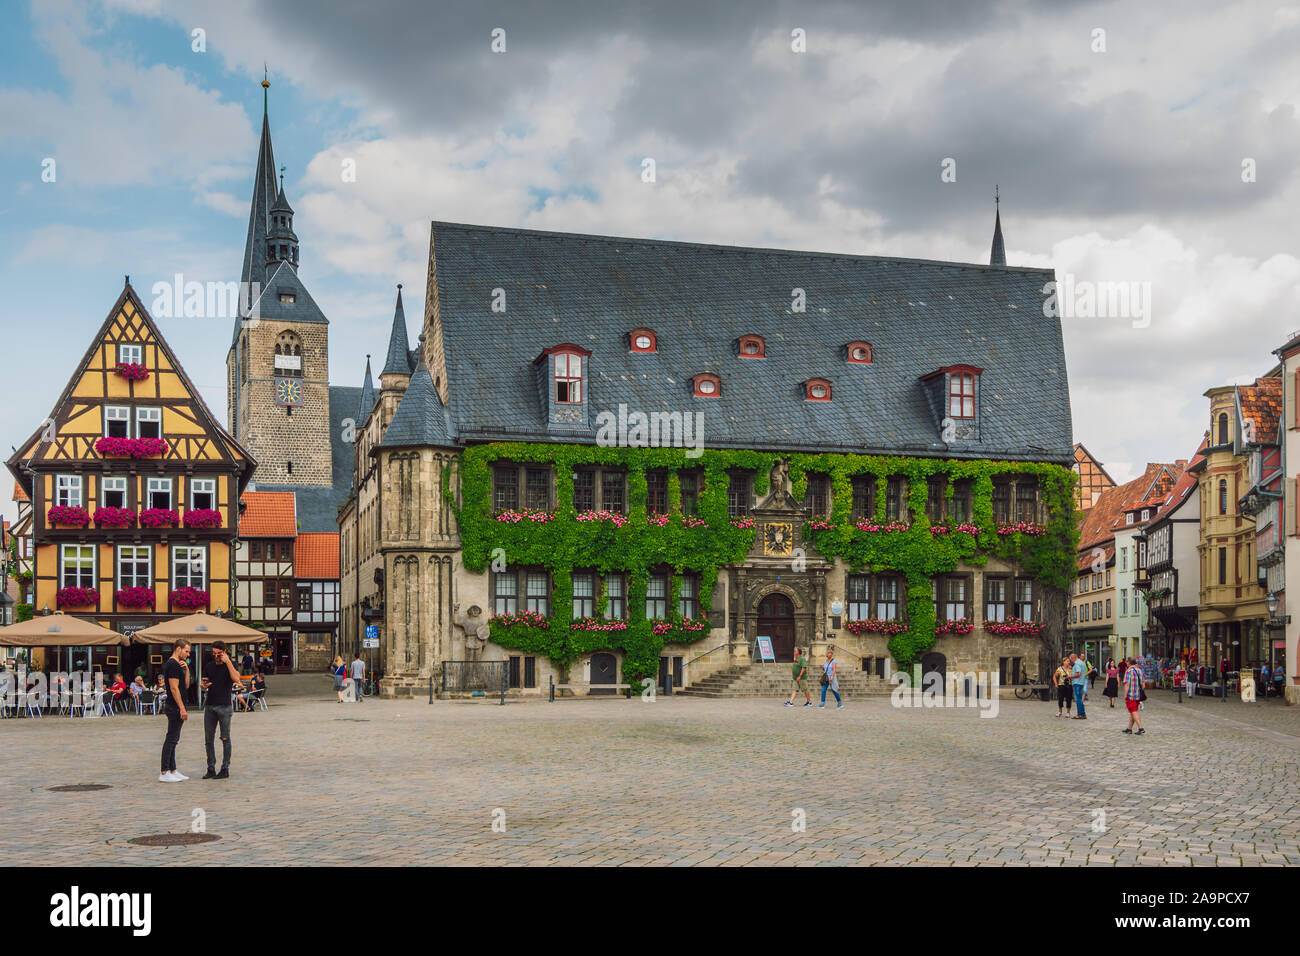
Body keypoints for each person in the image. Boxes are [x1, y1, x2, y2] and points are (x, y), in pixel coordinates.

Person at [200, 641, 241, 780]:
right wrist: (203, 686)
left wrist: (227, 662)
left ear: (225, 652)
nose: (216, 656)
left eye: (219, 654)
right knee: (208, 739)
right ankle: (210, 768)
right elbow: (204, 684)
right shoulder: (209, 666)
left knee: (225, 738)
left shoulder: (231, 664)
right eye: (214, 654)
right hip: (210, 705)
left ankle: (225, 768)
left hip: (224, 706)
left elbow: (236, 678)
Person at [159, 640, 191, 783]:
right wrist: (182, 708)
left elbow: (186, 685)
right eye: (186, 651)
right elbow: (173, 688)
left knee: (174, 739)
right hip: (174, 706)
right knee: (171, 738)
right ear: (178, 649)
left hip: (177, 705)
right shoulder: (172, 664)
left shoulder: (177, 665)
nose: (188, 654)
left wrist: (187, 670)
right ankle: (164, 771)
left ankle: (173, 770)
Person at [1121, 656, 1146, 734]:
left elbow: (1127, 684)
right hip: (1138, 695)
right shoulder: (1139, 670)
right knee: (1133, 711)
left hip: (1131, 695)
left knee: (1134, 711)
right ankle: (1129, 729)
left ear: (1128, 663)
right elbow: (1143, 685)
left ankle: (1141, 728)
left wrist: (1125, 695)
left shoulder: (1128, 671)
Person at [1070, 652, 1087, 719]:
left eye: (1071, 659)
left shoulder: (1077, 663)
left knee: (1078, 699)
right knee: (1080, 698)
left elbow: (1079, 673)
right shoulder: (1082, 662)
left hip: (1077, 683)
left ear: (1073, 658)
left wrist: (1070, 677)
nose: (1071, 661)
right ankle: (1082, 713)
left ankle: (1080, 714)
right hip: (1081, 682)